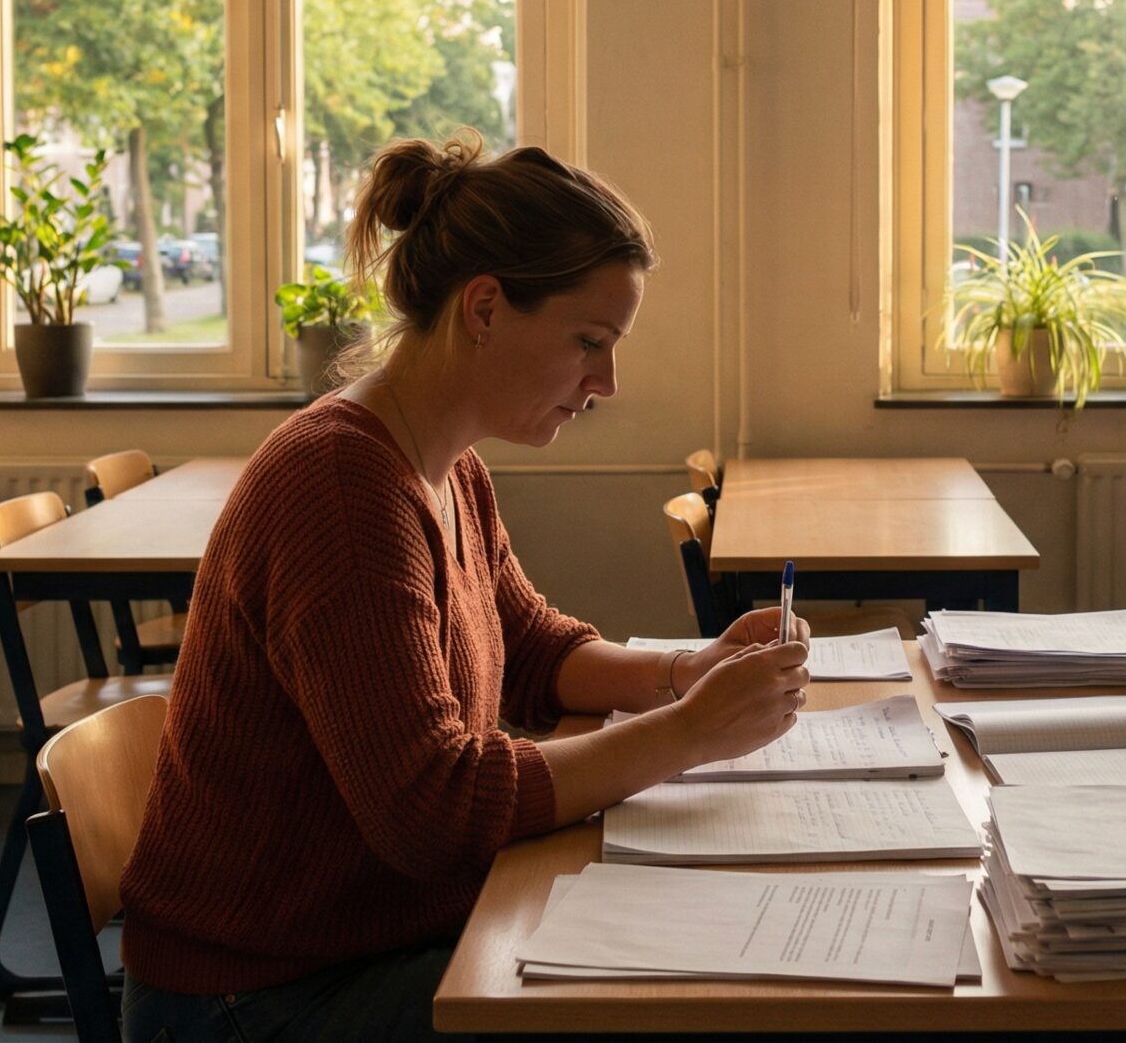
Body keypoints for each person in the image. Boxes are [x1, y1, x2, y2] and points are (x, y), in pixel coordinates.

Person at [118, 130, 810, 1042]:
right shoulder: (339, 487)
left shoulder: (447, 465)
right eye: (590, 340)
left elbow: (534, 649)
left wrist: (689, 669)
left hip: (365, 942)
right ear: (485, 307)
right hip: (259, 998)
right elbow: (432, 809)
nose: (606, 380)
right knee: (670, 1007)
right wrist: (687, 733)